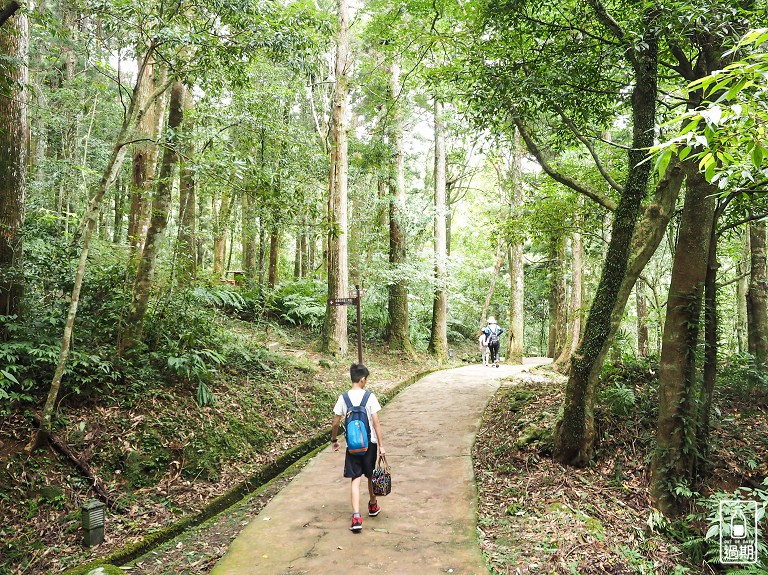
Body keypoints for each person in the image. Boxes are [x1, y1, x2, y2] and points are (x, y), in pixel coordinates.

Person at [331, 363, 386, 532]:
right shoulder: (369, 397)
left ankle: (356, 517)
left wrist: (334, 439)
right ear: (362, 379)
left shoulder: (343, 398)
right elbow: (376, 422)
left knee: (355, 478)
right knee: (370, 476)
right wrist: (382, 446)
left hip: (352, 445)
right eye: (366, 379)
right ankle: (372, 505)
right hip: (369, 443)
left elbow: (336, 422)